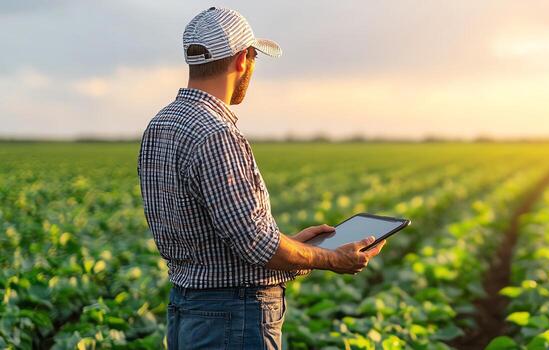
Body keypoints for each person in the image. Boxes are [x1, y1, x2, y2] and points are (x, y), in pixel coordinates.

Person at [136, 7, 386, 349]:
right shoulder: (217, 133)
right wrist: (333, 258)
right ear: (243, 59)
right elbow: (256, 243)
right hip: (233, 316)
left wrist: (296, 245)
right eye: (254, 58)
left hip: (187, 309)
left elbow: (227, 238)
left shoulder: (160, 125)